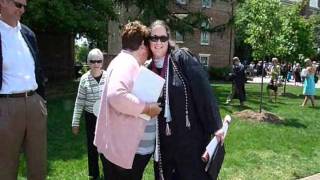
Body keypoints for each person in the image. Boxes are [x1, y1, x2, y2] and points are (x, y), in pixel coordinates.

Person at [148, 20, 224, 180]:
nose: (158, 42)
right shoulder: (148, 70)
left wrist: (216, 126)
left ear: (168, 39)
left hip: (190, 138)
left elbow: (203, 90)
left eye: (162, 38)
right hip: (164, 142)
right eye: (154, 38)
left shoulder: (181, 58)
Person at [94, 21, 161, 180]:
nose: (148, 57)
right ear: (143, 46)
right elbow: (116, 95)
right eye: (149, 51)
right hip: (121, 152)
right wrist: (147, 108)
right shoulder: (128, 63)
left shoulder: (120, 60)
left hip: (114, 147)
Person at [0, 0, 47, 179]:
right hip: (6, 107)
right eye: (18, 5)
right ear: (3, 2)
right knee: (5, 166)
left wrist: (42, 101)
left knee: (38, 166)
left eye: (25, 6)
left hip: (35, 104)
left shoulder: (28, 33)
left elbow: (38, 69)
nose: (22, 10)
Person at [71, 48, 108, 179]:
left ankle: (108, 172)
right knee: (92, 146)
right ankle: (94, 173)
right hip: (90, 117)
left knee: (105, 146)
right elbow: (79, 102)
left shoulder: (108, 76)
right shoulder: (84, 79)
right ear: (88, 62)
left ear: (102, 62)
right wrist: (75, 123)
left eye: (99, 61)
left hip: (105, 117)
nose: (96, 64)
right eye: (93, 61)